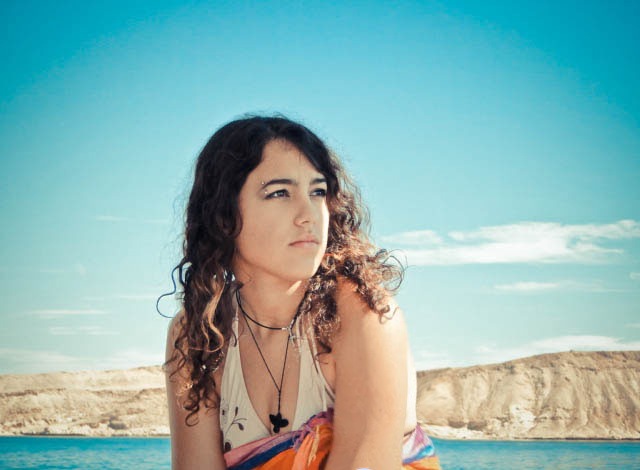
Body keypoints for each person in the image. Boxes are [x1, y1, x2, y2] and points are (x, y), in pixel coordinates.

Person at [163, 115, 440, 469]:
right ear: (224, 216)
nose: (309, 215)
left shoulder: (365, 317)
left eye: (318, 192)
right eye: (280, 193)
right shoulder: (198, 334)